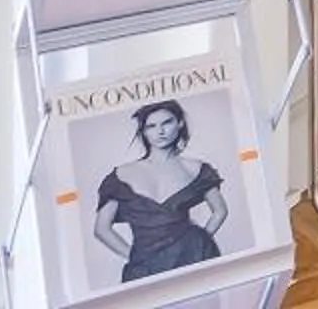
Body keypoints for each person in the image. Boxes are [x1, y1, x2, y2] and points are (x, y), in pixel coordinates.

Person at [91, 99, 227, 282]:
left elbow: (220, 211)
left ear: (180, 124)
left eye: (167, 122)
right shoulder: (121, 175)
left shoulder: (196, 168)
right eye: (151, 126)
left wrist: (198, 244)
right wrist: (135, 256)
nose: (160, 131)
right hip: (144, 267)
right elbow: (101, 229)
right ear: (144, 132)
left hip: (194, 261)